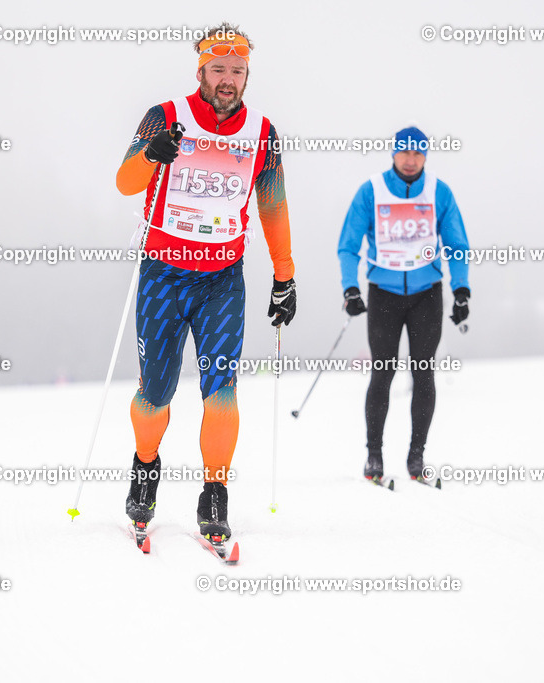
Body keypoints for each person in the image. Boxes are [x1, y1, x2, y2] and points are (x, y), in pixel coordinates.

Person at [115, 23, 296, 543]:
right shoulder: (165, 117)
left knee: (222, 392)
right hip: (164, 275)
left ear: (247, 75)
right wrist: (152, 155)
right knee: (156, 392)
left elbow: (273, 205)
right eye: (218, 69)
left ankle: (213, 495)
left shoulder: (262, 132)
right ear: (200, 71)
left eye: (237, 71)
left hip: (222, 279)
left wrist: (285, 276)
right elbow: (125, 180)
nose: (228, 80)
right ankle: (145, 471)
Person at [337, 126, 470, 483]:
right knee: (383, 372)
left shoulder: (438, 192)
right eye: (404, 153)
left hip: (427, 294)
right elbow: (348, 245)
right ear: (393, 154)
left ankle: (416, 457)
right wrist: (351, 288)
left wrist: (461, 290)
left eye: (418, 154)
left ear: (425, 156)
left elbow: (457, 246)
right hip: (384, 294)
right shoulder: (372, 191)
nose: (411, 161)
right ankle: (374, 456)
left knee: (423, 372)